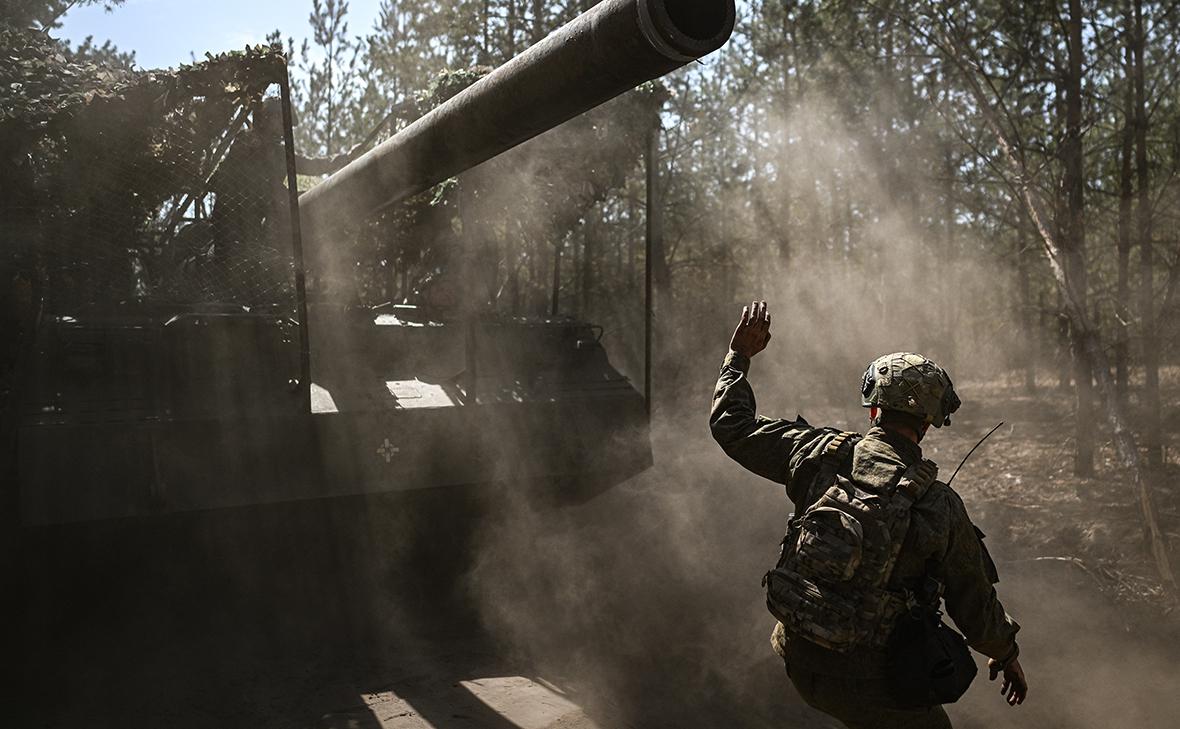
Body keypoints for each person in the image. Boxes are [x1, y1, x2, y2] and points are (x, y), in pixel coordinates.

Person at [709, 301, 1027, 729]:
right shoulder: (939, 505)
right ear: (928, 423)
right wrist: (1005, 654)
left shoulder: (816, 452)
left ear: (873, 409)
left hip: (798, 657)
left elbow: (732, 425)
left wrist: (739, 357)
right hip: (873, 682)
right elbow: (973, 604)